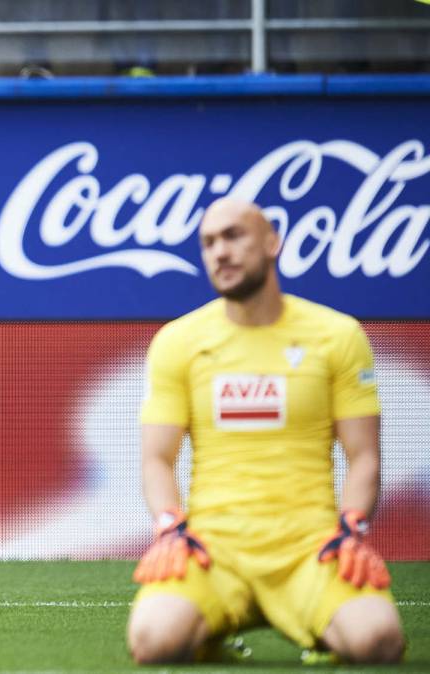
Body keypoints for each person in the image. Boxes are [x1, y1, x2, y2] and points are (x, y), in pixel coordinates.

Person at [126, 198, 405, 664]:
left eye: (234, 236)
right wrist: (171, 529)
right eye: (208, 243)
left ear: (272, 242)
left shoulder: (338, 335)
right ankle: (211, 632)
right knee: (153, 642)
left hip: (309, 549)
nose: (220, 252)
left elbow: (364, 456)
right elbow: (157, 457)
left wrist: (351, 530)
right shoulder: (177, 341)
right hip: (213, 551)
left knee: (379, 642)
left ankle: (320, 633)